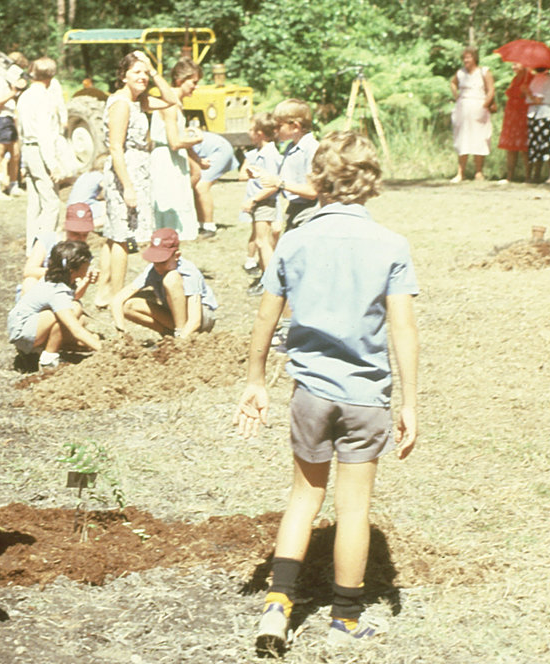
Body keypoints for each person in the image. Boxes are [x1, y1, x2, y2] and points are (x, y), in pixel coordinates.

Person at [234, 131, 418, 655]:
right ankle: (346, 617)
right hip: (365, 398)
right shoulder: (392, 245)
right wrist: (409, 402)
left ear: (316, 179)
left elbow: (266, 319)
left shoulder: (293, 240)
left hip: (310, 394)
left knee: (302, 498)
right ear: (371, 182)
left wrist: (254, 381)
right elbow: (403, 330)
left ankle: (277, 606)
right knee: (354, 509)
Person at [96, 51, 178, 308]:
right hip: (126, 171)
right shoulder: (121, 103)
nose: (142, 77)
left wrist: (154, 71)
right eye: (136, 72)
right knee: (122, 235)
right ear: (123, 76)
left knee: (114, 234)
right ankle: (116, 295)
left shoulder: (138, 101)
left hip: (137, 170)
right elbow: (116, 148)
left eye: (145, 73)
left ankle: (104, 293)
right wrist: (128, 186)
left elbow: (171, 99)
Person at [7, 240, 102, 370]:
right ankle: (48, 359)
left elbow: (74, 296)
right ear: (72, 269)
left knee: (82, 326)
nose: (89, 264)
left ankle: (37, 351)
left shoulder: (55, 278)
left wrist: (86, 281)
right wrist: (104, 350)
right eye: (87, 262)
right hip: (24, 334)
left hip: (23, 328)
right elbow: (75, 329)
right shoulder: (58, 292)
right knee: (71, 313)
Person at [111, 228, 217, 338]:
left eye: (162, 262)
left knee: (171, 278)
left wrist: (181, 340)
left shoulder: (189, 272)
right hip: (174, 314)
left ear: (177, 256)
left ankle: (181, 335)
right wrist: (121, 332)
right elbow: (118, 299)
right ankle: (169, 336)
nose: (157, 266)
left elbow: (195, 320)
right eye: (155, 261)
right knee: (129, 306)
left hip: (200, 317)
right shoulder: (152, 269)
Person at [150, 58, 205, 241]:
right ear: (181, 80)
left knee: (177, 196)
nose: (196, 87)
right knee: (169, 198)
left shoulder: (177, 104)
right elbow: (174, 142)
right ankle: (167, 237)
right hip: (166, 158)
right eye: (194, 82)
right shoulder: (171, 105)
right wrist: (196, 139)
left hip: (174, 157)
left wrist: (197, 159)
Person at [17, 57, 65, 253]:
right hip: (40, 149)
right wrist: (52, 163)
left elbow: (19, 129)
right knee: (52, 203)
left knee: (34, 203)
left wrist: (22, 161)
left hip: (28, 150)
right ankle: (44, 249)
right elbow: (45, 133)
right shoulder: (45, 98)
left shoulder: (24, 96)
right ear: (51, 76)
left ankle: (32, 246)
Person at [259, 99, 320, 233]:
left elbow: (312, 192)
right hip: (294, 208)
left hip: (309, 212)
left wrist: (280, 184)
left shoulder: (311, 149)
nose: (275, 131)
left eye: (278, 126)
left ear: (295, 126)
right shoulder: (291, 147)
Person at [239, 112, 282, 296]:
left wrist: (253, 199)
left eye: (251, 129)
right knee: (261, 241)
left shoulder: (270, 154)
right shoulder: (263, 153)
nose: (249, 132)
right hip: (262, 202)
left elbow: (272, 185)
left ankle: (269, 281)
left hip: (265, 202)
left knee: (263, 242)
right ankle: (268, 278)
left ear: (260, 133)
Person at [20, 202, 94, 296]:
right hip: (40, 287)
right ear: (66, 227)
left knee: (76, 307)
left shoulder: (83, 253)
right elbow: (29, 271)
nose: (79, 239)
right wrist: (61, 273)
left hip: (63, 295)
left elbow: (76, 294)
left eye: (84, 235)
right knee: (29, 282)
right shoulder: (48, 240)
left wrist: (86, 280)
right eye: (75, 233)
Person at [449, 46, 494, 182]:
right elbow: (452, 83)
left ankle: (478, 172)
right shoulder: (460, 73)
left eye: (468, 57)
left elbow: (491, 90)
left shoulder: (484, 72)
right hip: (463, 108)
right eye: (464, 58)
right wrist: (457, 97)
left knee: (479, 139)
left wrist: (485, 105)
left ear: (474, 58)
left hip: (479, 107)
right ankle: (460, 172)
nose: (466, 60)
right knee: (462, 138)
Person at [0, 52, 28, 200]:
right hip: (0, 119)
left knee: (15, 154)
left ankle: (13, 185)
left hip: (10, 119)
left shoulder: (8, 81)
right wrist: (13, 93)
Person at [191, 131, 239, 238]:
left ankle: (209, 226)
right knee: (196, 187)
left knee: (201, 186)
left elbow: (189, 153)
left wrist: (199, 161)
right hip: (206, 150)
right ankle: (200, 223)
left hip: (218, 150)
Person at [526, 67, 550, 184]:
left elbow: (537, 99)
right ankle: (548, 174)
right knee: (549, 144)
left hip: (540, 113)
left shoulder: (538, 79)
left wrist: (527, 92)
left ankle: (540, 174)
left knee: (537, 144)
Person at [497, 62, 531, 183]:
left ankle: (528, 176)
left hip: (523, 112)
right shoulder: (515, 79)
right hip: (512, 113)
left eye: (516, 64)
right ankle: (510, 176)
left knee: (524, 146)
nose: (513, 67)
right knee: (511, 146)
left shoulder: (530, 77)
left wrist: (526, 91)